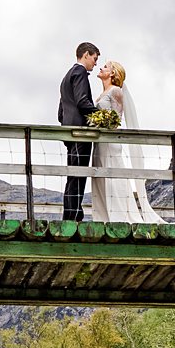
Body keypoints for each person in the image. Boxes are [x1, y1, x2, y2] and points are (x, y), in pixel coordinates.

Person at [94, 60, 162, 223]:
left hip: (110, 141)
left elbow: (116, 118)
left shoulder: (116, 91)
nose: (101, 68)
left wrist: (103, 122)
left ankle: (120, 215)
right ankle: (104, 215)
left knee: (114, 177)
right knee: (100, 176)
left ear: (112, 73)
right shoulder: (102, 94)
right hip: (99, 142)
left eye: (105, 67)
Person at [57, 41, 100, 221]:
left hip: (69, 131)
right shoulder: (80, 72)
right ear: (86, 55)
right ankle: (74, 215)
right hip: (81, 132)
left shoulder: (66, 77)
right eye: (95, 58)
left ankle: (71, 213)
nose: (95, 63)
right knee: (79, 174)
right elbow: (83, 102)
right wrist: (101, 115)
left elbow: (60, 112)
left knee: (72, 174)